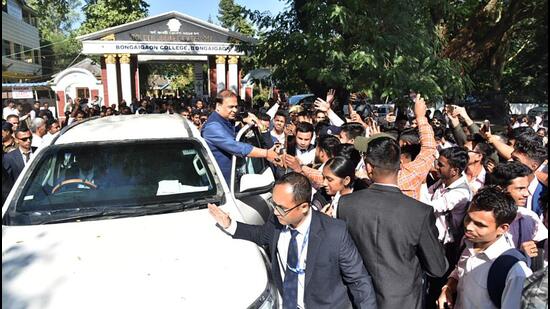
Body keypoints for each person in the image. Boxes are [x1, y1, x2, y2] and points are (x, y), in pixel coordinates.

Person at [207, 172, 377, 309]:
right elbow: (260, 235)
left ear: (304, 207)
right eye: (274, 204)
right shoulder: (277, 222)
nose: (275, 212)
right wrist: (229, 224)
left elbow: (358, 280)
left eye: (281, 208)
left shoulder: (334, 232)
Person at [339, 137, 448, 309]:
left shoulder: (346, 204)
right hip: (403, 301)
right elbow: (437, 267)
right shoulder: (419, 212)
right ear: (400, 166)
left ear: (368, 168)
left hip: (357, 298)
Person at [437, 187, 532, 309]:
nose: (469, 227)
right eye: (468, 218)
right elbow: (459, 272)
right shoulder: (468, 245)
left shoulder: (515, 272)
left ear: (502, 228)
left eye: (479, 225)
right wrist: (448, 288)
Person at [201, 90, 279, 185]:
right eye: (230, 107)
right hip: (219, 182)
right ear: (218, 106)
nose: (234, 110)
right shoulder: (213, 127)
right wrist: (266, 153)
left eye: (236, 106)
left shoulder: (227, 121)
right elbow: (237, 147)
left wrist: (250, 120)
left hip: (230, 179)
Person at [486, 161, 548, 260]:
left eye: (527, 188)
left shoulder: (529, 216)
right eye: (520, 188)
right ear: (500, 189)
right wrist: (518, 254)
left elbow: (543, 243)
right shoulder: (483, 220)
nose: (526, 194)